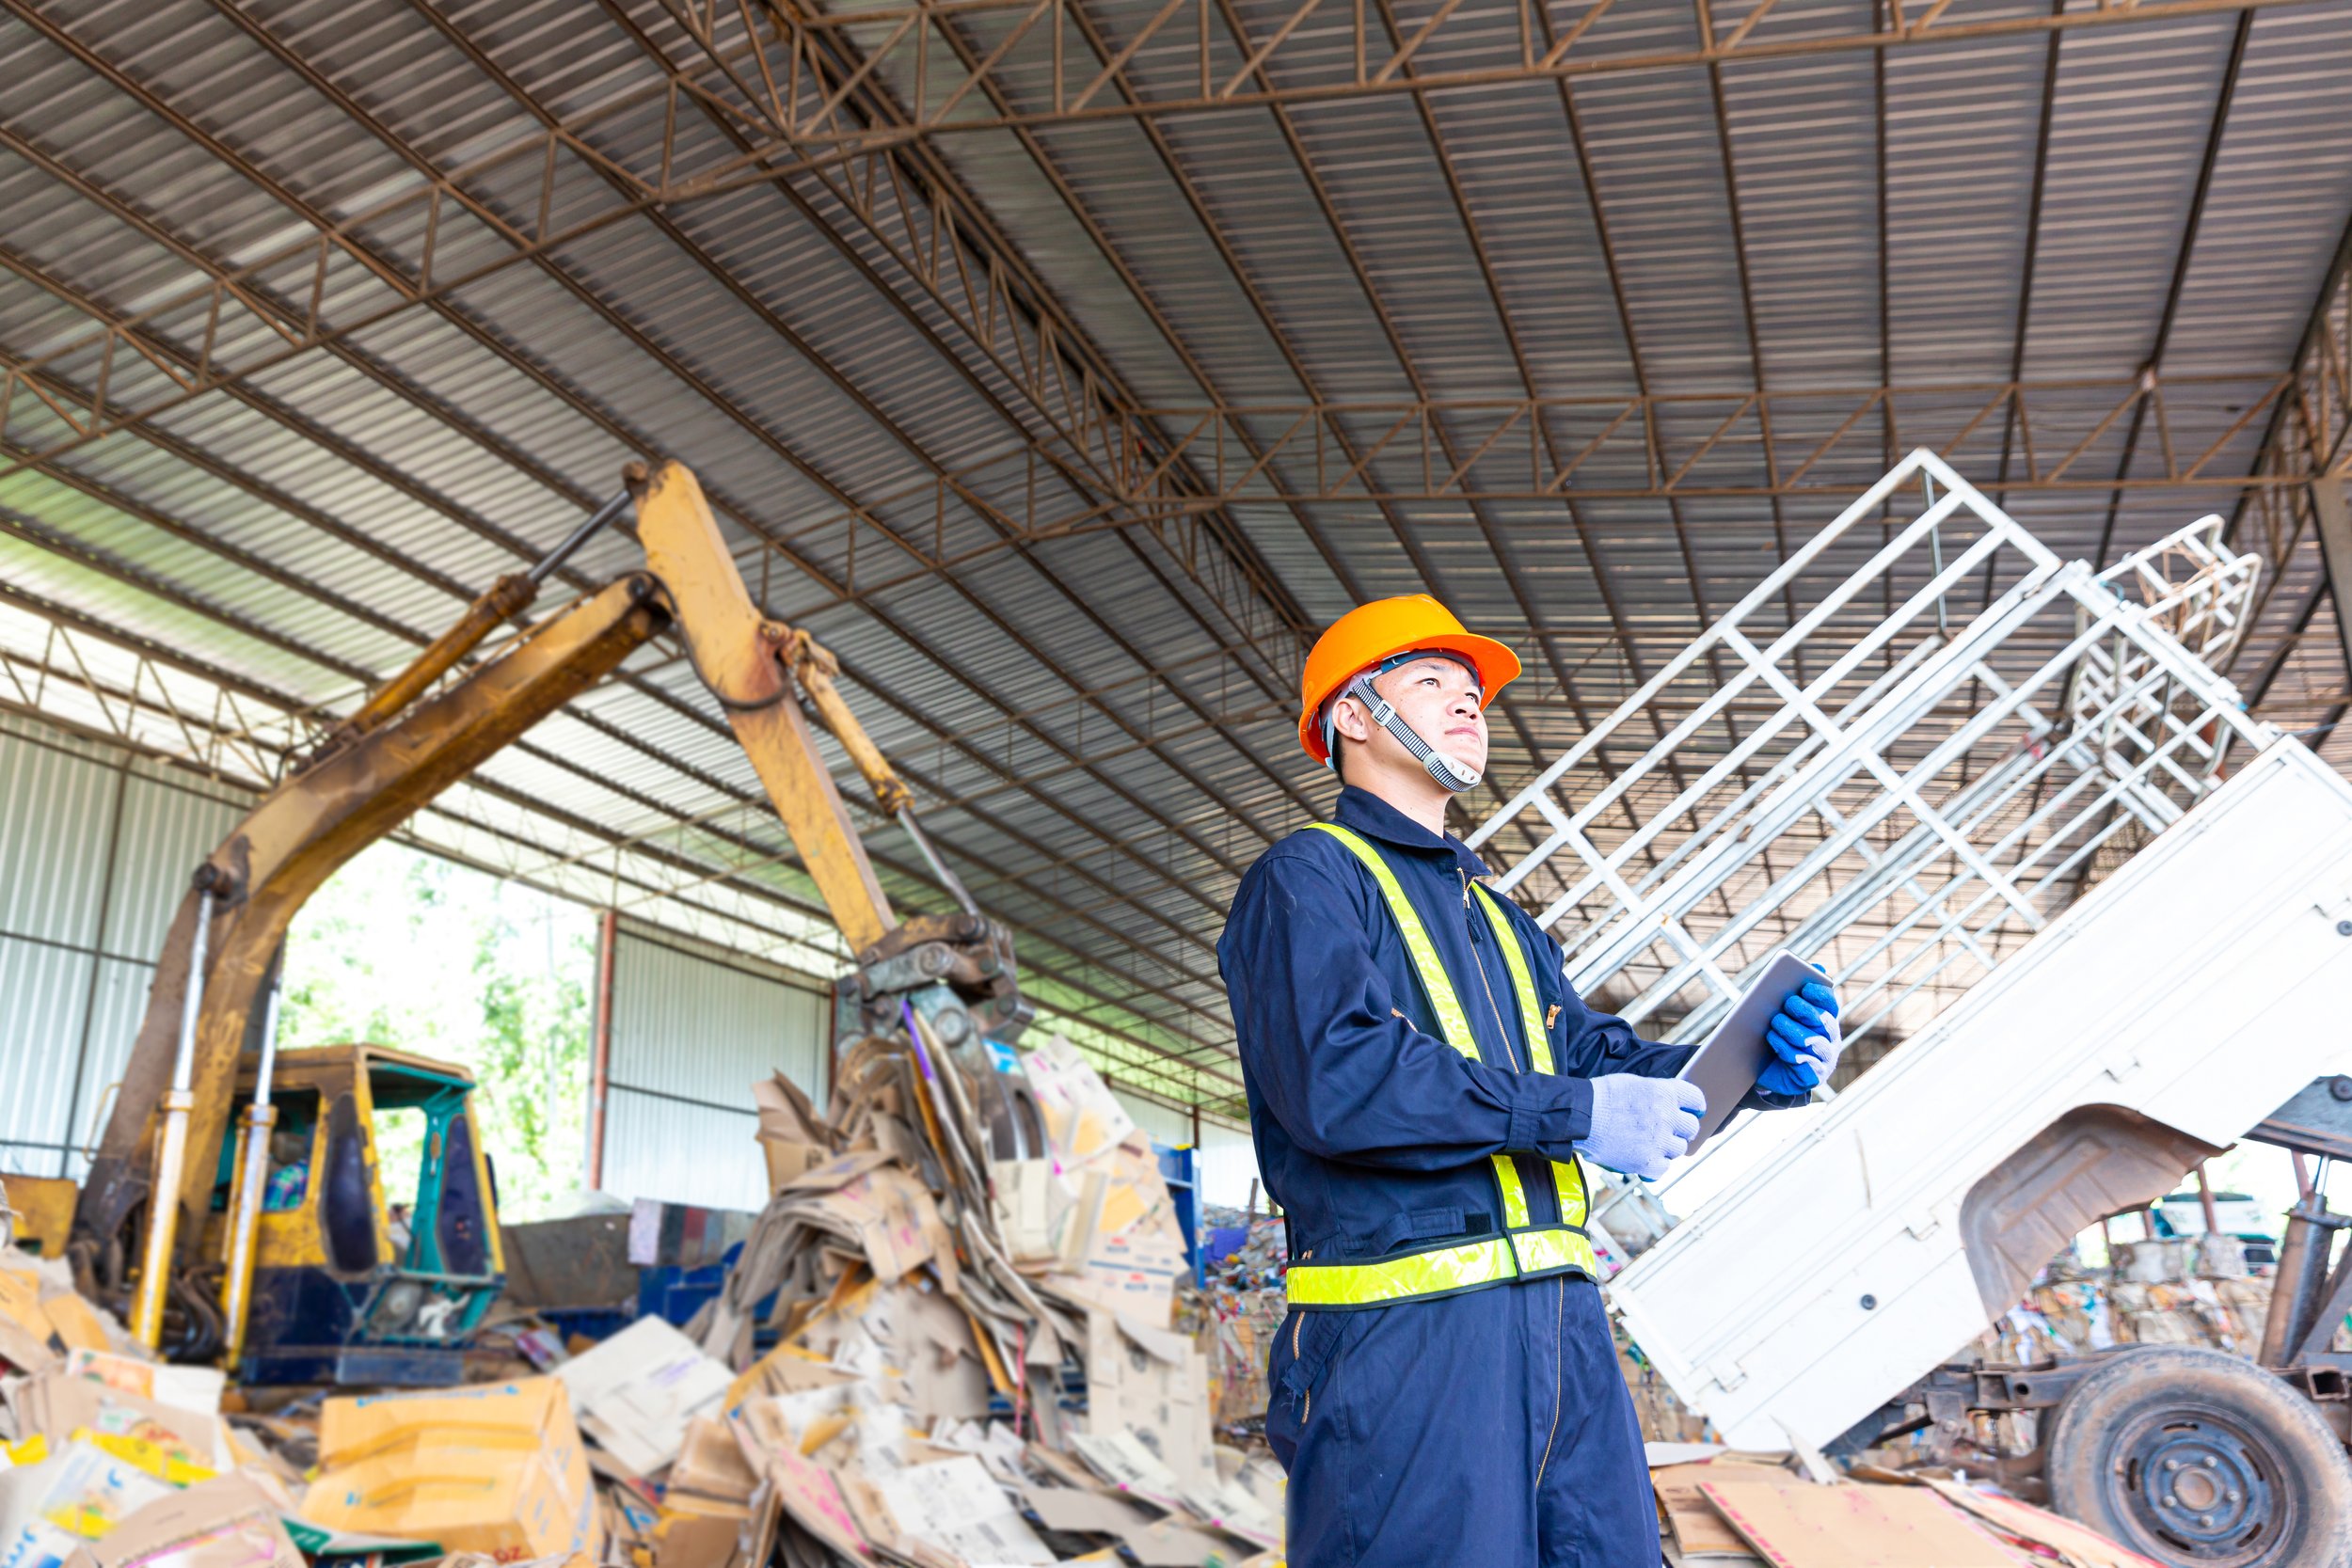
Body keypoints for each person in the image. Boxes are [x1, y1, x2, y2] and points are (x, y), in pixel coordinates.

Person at [1217, 595, 1841, 1567]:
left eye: (1473, 693)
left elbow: (1593, 1064)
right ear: (1352, 714)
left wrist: (1757, 1062)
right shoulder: (1308, 878)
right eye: (1432, 683)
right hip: (1406, 1340)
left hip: (1561, 1324)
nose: (1468, 705)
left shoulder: (1504, 920)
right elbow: (1340, 1078)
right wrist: (1578, 1112)